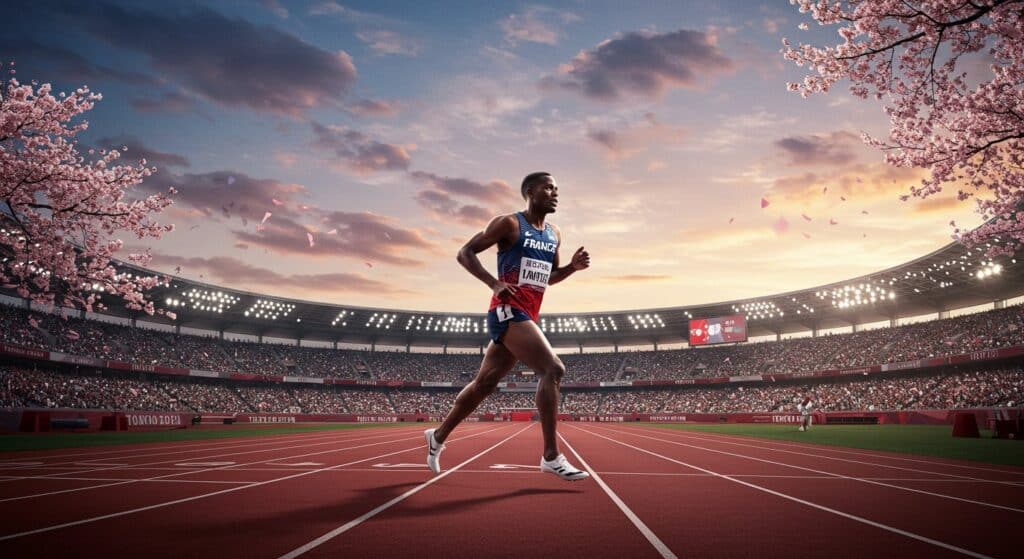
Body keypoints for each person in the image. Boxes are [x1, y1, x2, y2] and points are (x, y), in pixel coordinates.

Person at [425, 172, 591, 481]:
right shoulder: (509, 224)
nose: (555, 193)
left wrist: (571, 267)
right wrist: (493, 282)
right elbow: (465, 253)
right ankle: (551, 456)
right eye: (549, 187)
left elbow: (548, 278)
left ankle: (437, 436)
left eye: (558, 188)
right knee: (553, 369)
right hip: (507, 310)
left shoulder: (554, 234)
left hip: (528, 313)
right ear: (530, 192)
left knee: (484, 385)